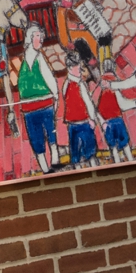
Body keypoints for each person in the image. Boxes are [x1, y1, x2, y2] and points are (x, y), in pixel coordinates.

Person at [17, 24, 59, 174]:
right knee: (40, 137)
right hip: (32, 107)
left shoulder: (36, 57)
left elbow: (49, 77)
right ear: (30, 37)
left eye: (41, 37)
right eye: (37, 36)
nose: (40, 40)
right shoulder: (29, 59)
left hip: (41, 103)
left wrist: (55, 94)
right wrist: (55, 94)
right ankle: (47, 167)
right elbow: (48, 77)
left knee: (48, 133)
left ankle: (53, 162)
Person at [61, 53, 100, 169]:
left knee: (82, 154)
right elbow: (88, 103)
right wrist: (93, 119)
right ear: (69, 68)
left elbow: (86, 103)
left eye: (78, 66)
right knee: (83, 154)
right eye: (76, 66)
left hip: (77, 124)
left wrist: (92, 118)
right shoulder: (78, 84)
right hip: (80, 124)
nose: (79, 69)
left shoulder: (68, 84)